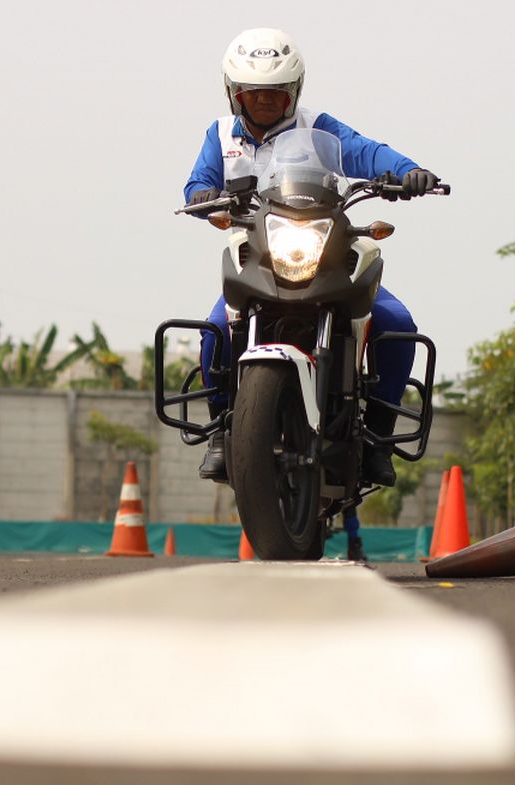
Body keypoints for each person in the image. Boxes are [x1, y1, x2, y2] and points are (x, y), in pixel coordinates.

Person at [184, 28, 439, 506]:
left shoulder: (318, 126)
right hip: (260, 256)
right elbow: (199, 181)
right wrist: (199, 195)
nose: (263, 101)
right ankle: (222, 431)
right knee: (217, 327)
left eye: (274, 93)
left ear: (294, 91)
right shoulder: (219, 135)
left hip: (323, 249)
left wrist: (408, 171)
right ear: (234, 93)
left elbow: (368, 151)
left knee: (396, 322)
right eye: (252, 93)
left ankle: (380, 432)